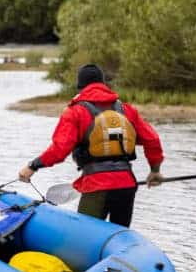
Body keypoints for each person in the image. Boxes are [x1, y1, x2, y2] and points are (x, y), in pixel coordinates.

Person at [18, 64, 164, 228]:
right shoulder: (126, 110)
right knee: (119, 233)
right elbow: (152, 140)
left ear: (80, 87)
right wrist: (155, 171)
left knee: (85, 235)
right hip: (126, 185)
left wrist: (32, 166)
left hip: (96, 186)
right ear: (103, 84)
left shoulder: (75, 112)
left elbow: (59, 150)